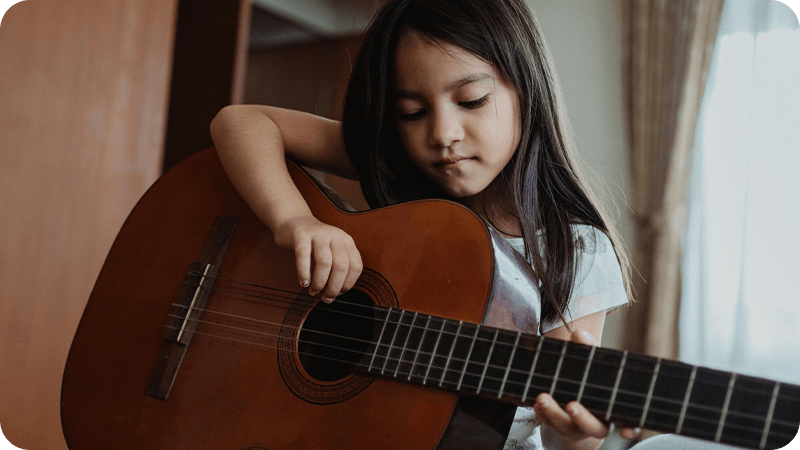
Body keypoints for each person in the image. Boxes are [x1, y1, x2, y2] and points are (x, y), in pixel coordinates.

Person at [210, 0, 636, 448]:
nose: (442, 134)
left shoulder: (576, 250)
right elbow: (239, 121)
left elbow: (573, 435)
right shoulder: (397, 166)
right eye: (412, 111)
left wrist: (570, 431)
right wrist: (293, 220)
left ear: (528, 88)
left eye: (471, 101)